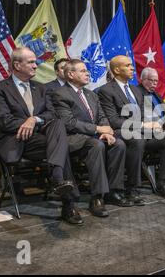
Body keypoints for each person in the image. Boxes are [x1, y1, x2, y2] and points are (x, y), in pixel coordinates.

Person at [0, 47, 82, 225]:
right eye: (31, 62)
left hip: (41, 140)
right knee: (60, 145)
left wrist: (34, 119)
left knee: (57, 125)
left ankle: (58, 179)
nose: (36, 65)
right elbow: (4, 121)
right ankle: (67, 200)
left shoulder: (41, 88)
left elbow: (52, 114)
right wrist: (29, 122)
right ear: (17, 65)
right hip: (17, 140)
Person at [52, 59, 127, 217]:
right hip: (73, 139)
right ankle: (97, 197)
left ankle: (112, 191)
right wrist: (98, 129)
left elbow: (102, 117)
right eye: (83, 71)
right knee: (96, 145)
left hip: (94, 137)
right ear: (71, 74)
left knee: (118, 144)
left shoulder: (91, 94)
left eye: (87, 70)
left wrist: (106, 131)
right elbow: (69, 123)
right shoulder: (60, 94)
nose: (88, 73)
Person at [97, 56, 165, 202]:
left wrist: (153, 125)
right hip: (121, 133)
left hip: (142, 132)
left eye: (131, 65)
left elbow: (142, 116)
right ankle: (133, 188)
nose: (132, 68)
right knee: (137, 140)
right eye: (128, 65)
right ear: (116, 69)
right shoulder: (106, 91)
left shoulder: (136, 90)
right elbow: (114, 121)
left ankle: (163, 183)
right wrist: (142, 126)